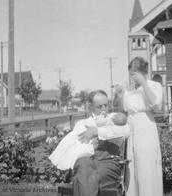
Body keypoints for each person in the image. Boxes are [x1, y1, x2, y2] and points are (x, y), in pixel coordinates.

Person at [115, 57, 163, 196]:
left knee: (145, 166)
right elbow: (122, 111)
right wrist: (119, 96)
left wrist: (143, 83)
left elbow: (156, 105)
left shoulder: (154, 86)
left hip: (146, 129)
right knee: (132, 166)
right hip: (132, 131)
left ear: (140, 72)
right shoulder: (130, 91)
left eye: (133, 74)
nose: (131, 78)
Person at [70, 90, 130, 196]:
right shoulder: (82, 124)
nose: (104, 109)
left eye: (105, 105)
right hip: (88, 162)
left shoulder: (115, 118)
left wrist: (96, 132)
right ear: (91, 107)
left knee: (81, 179)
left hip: (108, 164)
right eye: (99, 107)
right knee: (84, 165)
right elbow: (74, 148)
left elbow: (126, 131)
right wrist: (90, 146)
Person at [49, 112, 127, 170]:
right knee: (75, 144)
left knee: (80, 148)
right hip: (90, 133)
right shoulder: (108, 117)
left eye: (117, 119)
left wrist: (96, 129)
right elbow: (94, 123)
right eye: (99, 106)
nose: (103, 109)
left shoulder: (113, 125)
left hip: (99, 146)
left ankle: (69, 160)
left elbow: (101, 126)